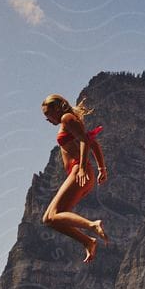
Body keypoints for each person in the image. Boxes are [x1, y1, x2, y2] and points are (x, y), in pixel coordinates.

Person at [39, 93, 109, 263]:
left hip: (78, 170)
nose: (47, 120)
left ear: (56, 109)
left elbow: (85, 140)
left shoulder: (67, 118)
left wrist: (83, 167)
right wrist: (101, 168)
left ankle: (93, 225)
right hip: (79, 170)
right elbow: (93, 142)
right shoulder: (70, 120)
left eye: (48, 114)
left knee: (53, 215)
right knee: (49, 219)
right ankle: (88, 241)